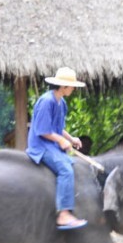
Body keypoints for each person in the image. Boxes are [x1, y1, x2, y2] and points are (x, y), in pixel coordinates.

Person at [26, 66, 88, 230]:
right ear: (64, 86)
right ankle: (63, 215)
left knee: (73, 166)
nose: (74, 89)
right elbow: (42, 130)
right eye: (72, 86)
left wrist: (70, 138)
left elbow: (57, 127)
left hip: (52, 144)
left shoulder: (61, 103)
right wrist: (61, 141)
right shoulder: (47, 101)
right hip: (41, 146)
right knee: (66, 170)